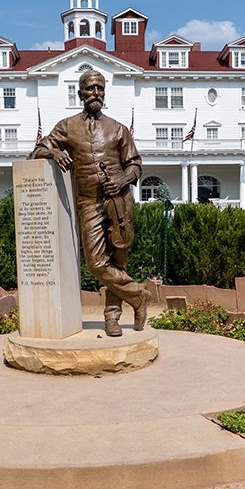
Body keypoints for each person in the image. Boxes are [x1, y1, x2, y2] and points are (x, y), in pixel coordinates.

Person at [30, 70, 150, 336]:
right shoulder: (67, 126)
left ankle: (112, 318)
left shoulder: (118, 129)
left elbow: (136, 165)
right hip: (88, 203)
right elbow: (36, 150)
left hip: (119, 203)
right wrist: (53, 151)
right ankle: (138, 296)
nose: (96, 93)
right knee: (96, 264)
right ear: (79, 93)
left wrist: (121, 180)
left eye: (100, 89)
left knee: (119, 261)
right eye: (90, 88)